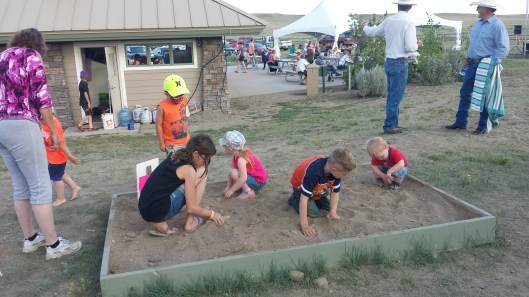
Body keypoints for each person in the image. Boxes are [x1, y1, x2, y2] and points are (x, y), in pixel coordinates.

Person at [0, 28, 82, 260]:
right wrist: (54, 132)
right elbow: (42, 99)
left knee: (20, 186)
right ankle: (54, 246)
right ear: (38, 44)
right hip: (21, 125)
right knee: (40, 187)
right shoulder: (31, 57)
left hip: (1, 126)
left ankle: (30, 239)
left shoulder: (2, 58)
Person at [138, 134, 225, 236]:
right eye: (206, 159)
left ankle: (158, 221)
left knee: (189, 185)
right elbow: (191, 208)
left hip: (145, 207)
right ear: (196, 153)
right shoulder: (188, 170)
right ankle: (190, 223)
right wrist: (212, 215)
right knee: (203, 172)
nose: (206, 162)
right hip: (158, 211)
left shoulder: (176, 154)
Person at [445, 0, 509, 135]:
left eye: (478, 7)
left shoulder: (497, 26)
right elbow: (473, 45)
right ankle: (460, 122)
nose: (477, 10)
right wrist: (467, 58)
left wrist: (491, 63)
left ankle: (483, 126)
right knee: (465, 93)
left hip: (486, 65)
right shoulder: (477, 25)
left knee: (484, 95)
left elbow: (503, 48)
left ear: (486, 9)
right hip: (473, 63)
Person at [359, 0, 423, 134]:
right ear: (410, 7)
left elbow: (373, 32)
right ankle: (390, 125)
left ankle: (392, 123)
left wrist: (364, 27)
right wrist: (418, 45)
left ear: (398, 5)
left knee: (392, 94)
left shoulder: (389, 20)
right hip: (400, 62)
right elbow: (410, 47)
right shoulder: (409, 22)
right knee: (396, 96)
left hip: (390, 61)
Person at [288, 149, 356, 237]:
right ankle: (294, 200)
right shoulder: (313, 173)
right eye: (344, 174)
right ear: (334, 170)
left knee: (329, 207)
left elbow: (335, 192)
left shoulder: (336, 171)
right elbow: (304, 199)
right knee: (315, 214)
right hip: (300, 187)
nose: (346, 176)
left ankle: (314, 199)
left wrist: (333, 211)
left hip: (318, 187)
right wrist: (305, 225)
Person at [42, 115, 81, 207]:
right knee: (60, 173)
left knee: (56, 178)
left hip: (57, 158)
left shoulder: (55, 127)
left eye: (41, 119)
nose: (40, 121)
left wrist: (70, 157)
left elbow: (62, 144)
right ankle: (75, 187)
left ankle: (61, 198)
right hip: (51, 157)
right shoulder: (45, 122)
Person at [219, 130, 269, 200]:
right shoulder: (236, 154)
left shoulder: (241, 159)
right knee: (232, 171)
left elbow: (243, 179)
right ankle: (243, 187)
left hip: (258, 182)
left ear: (228, 148)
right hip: (253, 178)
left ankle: (248, 191)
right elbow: (231, 171)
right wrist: (228, 186)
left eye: (224, 146)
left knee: (234, 173)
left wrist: (231, 190)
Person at [156, 74, 191, 156]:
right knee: (175, 165)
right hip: (171, 144)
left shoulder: (185, 100)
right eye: (176, 95)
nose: (179, 97)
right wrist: (161, 143)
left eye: (181, 94)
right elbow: (158, 126)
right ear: (166, 93)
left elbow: (183, 117)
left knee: (187, 163)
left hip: (186, 141)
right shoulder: (162, 107)